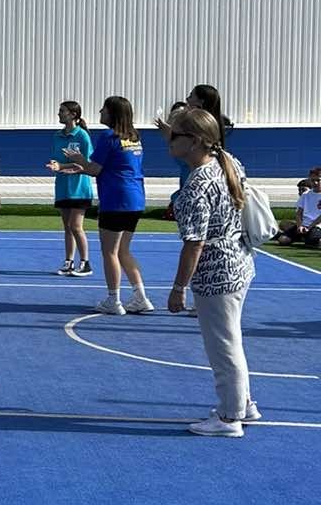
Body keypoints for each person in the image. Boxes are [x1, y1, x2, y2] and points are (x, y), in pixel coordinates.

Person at [166, 106, 258, 438]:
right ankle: (243, 403)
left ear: (194, 141)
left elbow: (194, 244)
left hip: (217, 274)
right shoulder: (227, 162)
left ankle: (230, 417)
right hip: (239, 262)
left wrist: (179, 288)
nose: (169, 141)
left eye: (175, 135)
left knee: (222, 346)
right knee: (231, 339)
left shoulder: (197, 185)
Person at [51, 96, 153, 316]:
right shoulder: (134, 137)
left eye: (104, 109)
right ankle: (140, 296)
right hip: (135, 198)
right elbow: (114, 166)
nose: (100, 112)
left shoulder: (109, 136)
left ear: (112, 113)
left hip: (116, 199)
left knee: (110, 252)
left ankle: (113, 299)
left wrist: (80, 160)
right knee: (123, 250)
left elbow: (95, 169)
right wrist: (82, 167)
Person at [51, 100, 94, 276]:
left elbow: (87, 162)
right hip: (63, 187)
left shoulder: (82, 136)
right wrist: (55, 165)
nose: (59, 114)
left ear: (73, 115)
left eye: (63, 111)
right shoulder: (57, 136)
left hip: (79, 188)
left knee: (76, 226)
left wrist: (63, 166)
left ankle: (85, 262)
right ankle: (69, 261)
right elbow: (57, 159)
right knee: (67, 227)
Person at [274, 170, 321, 247]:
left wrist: (309, 227)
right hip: (303, 225)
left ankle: (307, 238)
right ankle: (302, 237)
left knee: (313, 241)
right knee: (283, 240)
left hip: (317, 226)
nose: (315, 183)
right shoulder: (305, 195)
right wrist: (300, 226)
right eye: (313, 180)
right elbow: (299, 213)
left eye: (318, 180)